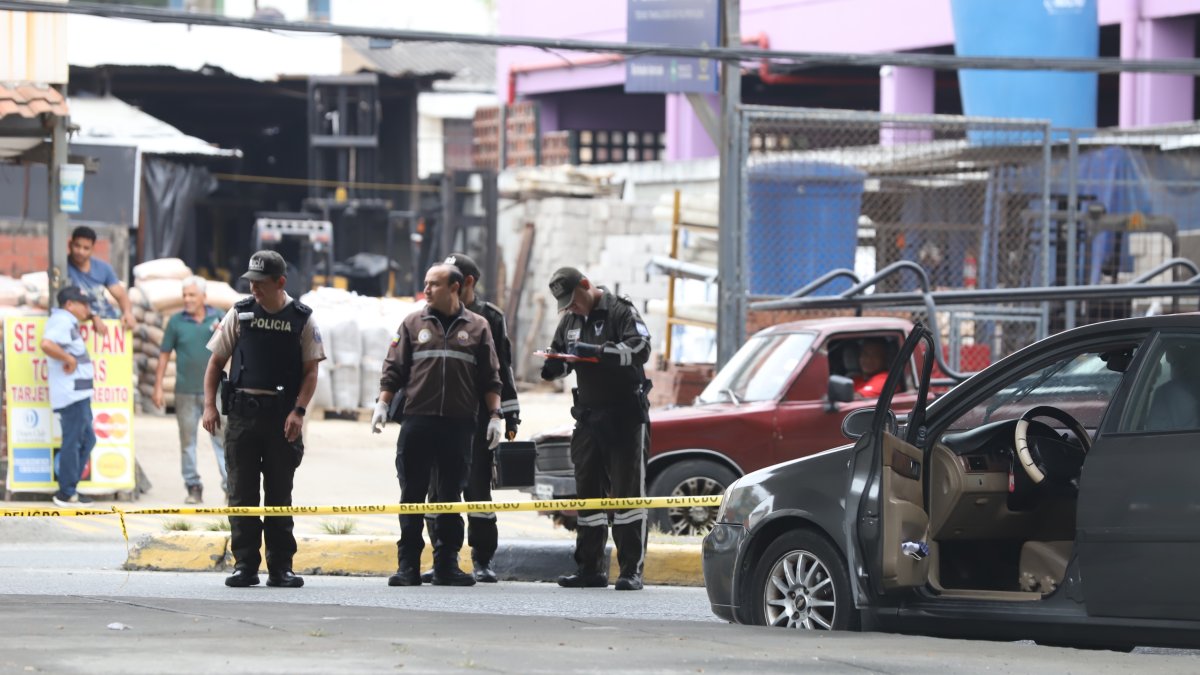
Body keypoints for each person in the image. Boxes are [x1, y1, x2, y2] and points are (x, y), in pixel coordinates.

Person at [371, 262, 503, 588]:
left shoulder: (479, 327)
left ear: (455, 288)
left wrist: (497, 416)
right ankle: (408, 568)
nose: (426, 290)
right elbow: (394, 368)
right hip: (418, 422)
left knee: (448, 498)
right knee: (412, 496)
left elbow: (491, 378)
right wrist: (383, 403)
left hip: (459, 426)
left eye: (434, 284)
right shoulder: (413, 323)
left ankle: (447, 566)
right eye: (426, 283)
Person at [202, 251, 324, 589]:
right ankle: (244, 565)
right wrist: (209, 407)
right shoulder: (240, 314)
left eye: (260, 283)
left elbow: (311, 371)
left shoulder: (302, 319)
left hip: (282, 420)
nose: (253, 289)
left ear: (280, 282)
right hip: (241, 418)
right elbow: (215, 364)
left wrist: (298, 411)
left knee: (279, 496)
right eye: (251, 283)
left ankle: (281, 567)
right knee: (241, 494)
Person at [541, 266, 652, 591]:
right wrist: (554, 366)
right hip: (589, 419)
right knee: (588, 495)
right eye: (565, 305)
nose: (570, 309)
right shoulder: (571, 321)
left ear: (586, 286)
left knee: (627, 495)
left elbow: (641, 349)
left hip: (625, 418)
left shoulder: (620, 311)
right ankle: (590, 568)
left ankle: (631, 570)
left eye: (573, 301)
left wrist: (601, 353)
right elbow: (561, 354)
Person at [419, 253, 520, 584]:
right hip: (440, 417)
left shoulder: (490, 317)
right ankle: (443, 557)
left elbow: (502, 369)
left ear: (467, 283)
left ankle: (482, 559)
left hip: (476, 420)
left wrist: (508, 415)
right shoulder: (428, 314)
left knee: (478, 491)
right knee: (437, 493)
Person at [153, 276, 227, 504]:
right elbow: (164, 354)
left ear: (204, 297)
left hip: (215, 393)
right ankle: (193, 486)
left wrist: (221, 332)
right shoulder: (175, 322)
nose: (187, 299)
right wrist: (158, 386)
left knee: (222, 441)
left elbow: (233, 348)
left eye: (192, 295)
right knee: (187, 442)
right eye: (185, 295)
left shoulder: (219, 318)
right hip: (185, 391)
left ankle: (230, 487)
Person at [42, 286, 99, 508]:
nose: (87, 308)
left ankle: (70, 489)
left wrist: (93, 316)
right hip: (72, 394)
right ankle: (66, 493)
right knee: (74, 441)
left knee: (86, 440)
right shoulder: (62, 320)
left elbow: (87, 315)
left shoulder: (68, 320)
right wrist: (69, 359)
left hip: (78, 393)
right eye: (83, 304)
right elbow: (46, 344)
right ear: (69, 305)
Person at [66, 226, 136, 335]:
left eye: (86, 248)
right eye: (77, 246)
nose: (80, 251)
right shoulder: (61, 268)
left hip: (109, 322)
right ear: (70, 245)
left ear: (93, 249)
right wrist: (93, 316)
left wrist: (127, 313)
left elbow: (121, 295)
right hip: (81, 326)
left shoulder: (103, 268)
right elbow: (66, 304)